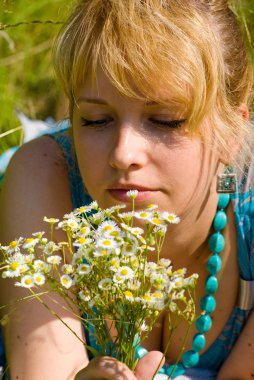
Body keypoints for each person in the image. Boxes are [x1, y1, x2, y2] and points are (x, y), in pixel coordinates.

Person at [0, 0, 254, 379]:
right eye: (95, 119)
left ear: (232, 130)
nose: (123, 154)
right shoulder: (44, 174)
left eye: (166, 121)